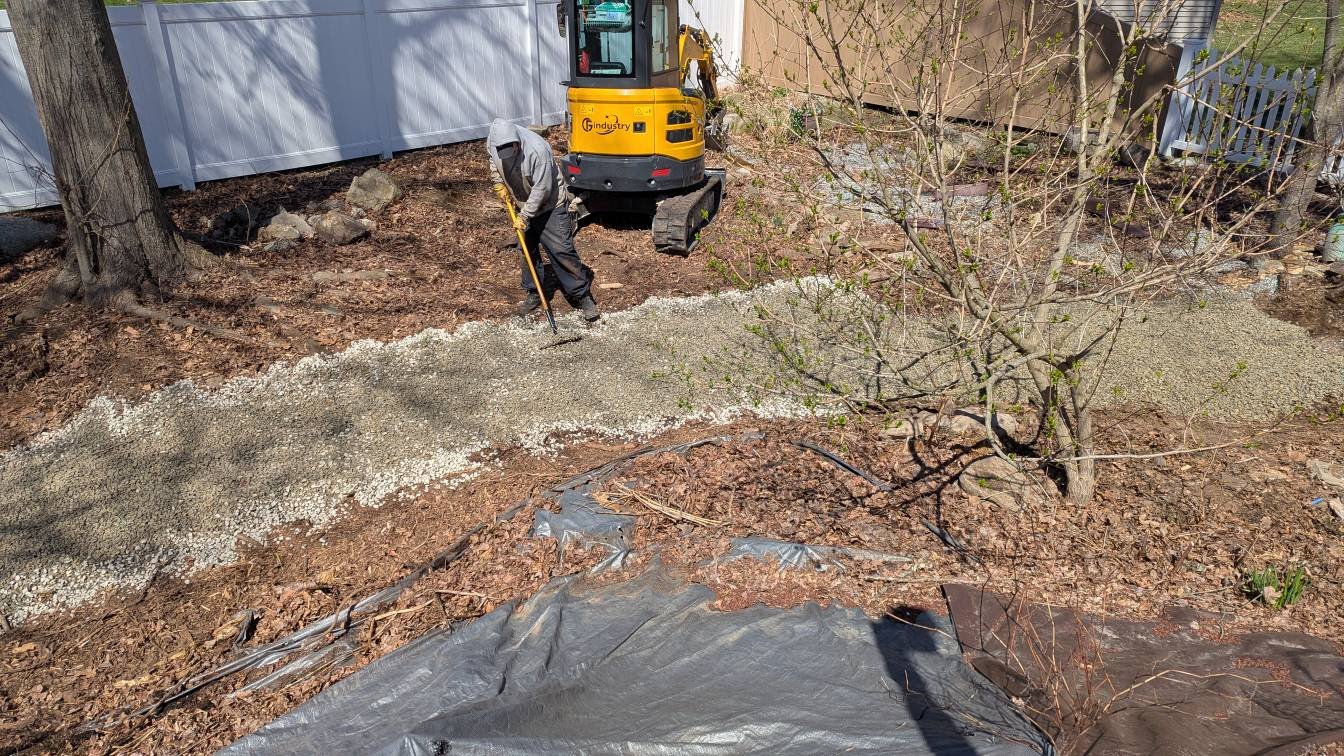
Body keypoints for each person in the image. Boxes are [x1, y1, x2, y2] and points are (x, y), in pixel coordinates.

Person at [486, 119, 599, 322]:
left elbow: (542, 190)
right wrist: (498, 183)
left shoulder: (538, 151)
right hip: (523, 203)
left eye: (509, 150)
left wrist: (525, 216)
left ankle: (581, 296)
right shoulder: (494, 142)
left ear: (516, 143)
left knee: (561, 249)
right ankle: (534, 292)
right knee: (526, 250)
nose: (504, 153)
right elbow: (493, 162)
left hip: (550, 205)